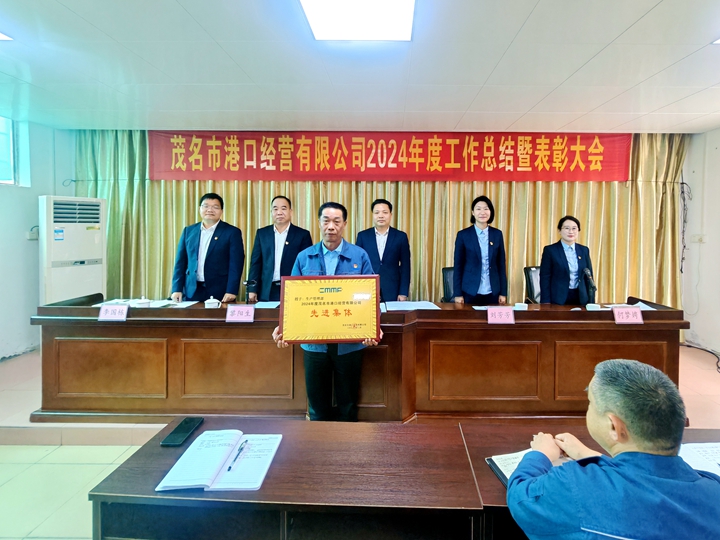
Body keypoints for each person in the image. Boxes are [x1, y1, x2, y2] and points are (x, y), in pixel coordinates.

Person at [507, 359, 720, 540]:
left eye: (590, 403)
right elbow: (643, 477)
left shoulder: (575, 485)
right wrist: (587, 455)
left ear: (613, 427)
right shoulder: (713, 488)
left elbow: (521, 497)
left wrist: (540, 454)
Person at [272, 202, 381, 422]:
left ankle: (347, 443)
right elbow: (291, 299)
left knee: (347, 404)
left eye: (336, 221)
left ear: (345, 224)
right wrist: (283, 328)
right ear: (319, 223)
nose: (331, 226)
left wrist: (374, 327)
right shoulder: (304, 257)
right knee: (317, 406)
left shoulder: (359, 256)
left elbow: (372, 297)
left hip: (350, 344)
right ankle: (318, 443)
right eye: (326, 221)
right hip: (314, 344)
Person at [171, 193, 244, 303]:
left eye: (215, 207)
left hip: (220, 291)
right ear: (199, 209)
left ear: (221, 211)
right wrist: (177, 289)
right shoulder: (188, 231)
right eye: (206, 206)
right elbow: (180, 263)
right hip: (192, 290)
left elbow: (236, 264)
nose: (210, 210)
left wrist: (231, 290)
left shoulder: (232, 232)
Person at [247, 196, 313, 302]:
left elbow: (307, 266)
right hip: (267, 289)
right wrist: (252, 289)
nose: (279, 212)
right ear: (271, 212)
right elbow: (255, 263)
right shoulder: (262, 234)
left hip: (292, 288)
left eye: (283, 208)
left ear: (290, 212)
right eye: (275, 209)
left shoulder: (302, 235)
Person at [453, 195, 507, 305]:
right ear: (473, 212)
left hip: (493, 291)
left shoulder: (497, 234)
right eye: (478, 209)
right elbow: (458, 266)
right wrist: (457, 294)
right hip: (470, 290)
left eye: (486, 209)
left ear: (490, 212)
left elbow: (501, 265)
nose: (482, 212)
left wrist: (503, 292)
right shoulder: (463, 235)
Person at [355, 198, 411, 302]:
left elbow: (405, 266)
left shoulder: (400, 236)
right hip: (367, 288)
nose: (381, 216)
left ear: (391, 215)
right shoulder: (363, 236)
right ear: (373, 215)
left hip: (393, 288)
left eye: (385, 212)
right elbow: (357, 263)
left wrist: (403, 292)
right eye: (377, 212)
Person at [539, 215, 593, 305]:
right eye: (567, 228)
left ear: (578, 230)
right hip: (558, 298)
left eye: (574, 228)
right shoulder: (550, 250)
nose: (571, 231)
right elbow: (545, 277)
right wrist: (545, 301)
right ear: (559, 231)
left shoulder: (584, 250)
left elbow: (589, 276)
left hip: (581, 297)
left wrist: (591, 301)